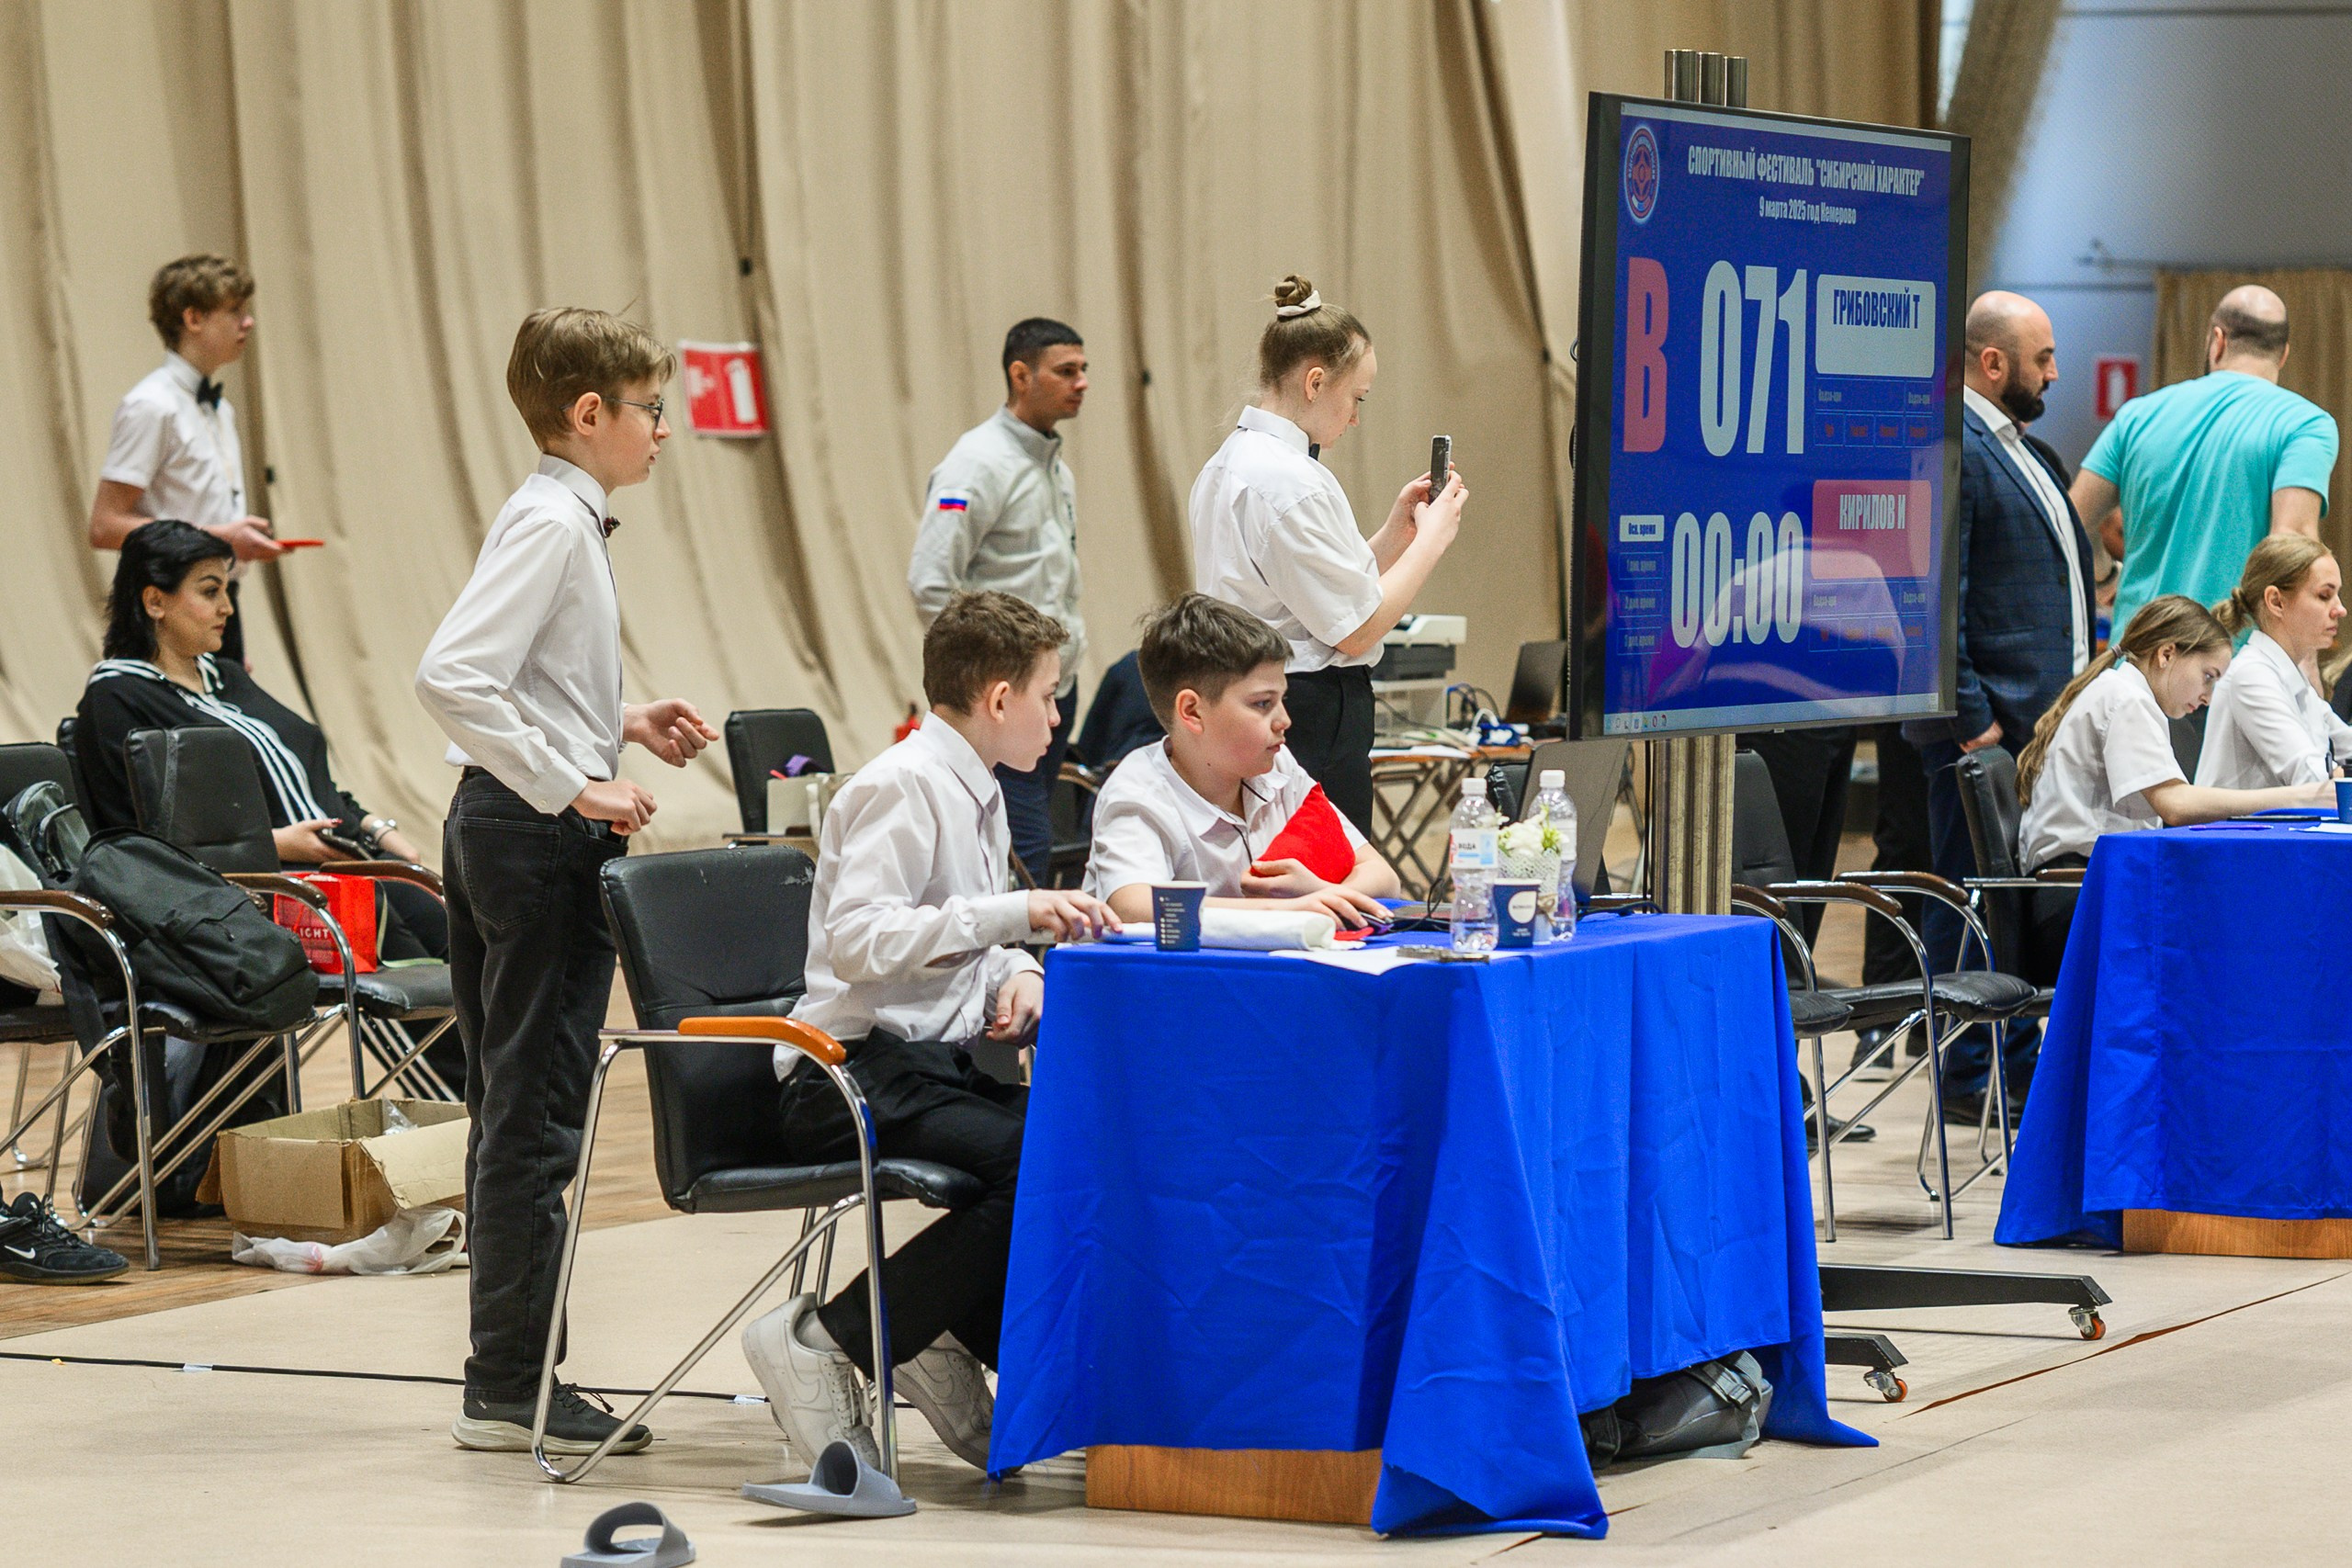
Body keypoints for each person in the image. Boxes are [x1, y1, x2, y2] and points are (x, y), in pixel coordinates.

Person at [416, 308, 718, 1459]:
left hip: (504, 824)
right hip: (529, 837)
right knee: (535, 1117)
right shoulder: (552, 521)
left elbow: (517, 676)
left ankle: (505, 1375)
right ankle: (507, 1386)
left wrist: (617, 721)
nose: (662, 431)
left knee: (514, 1110)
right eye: (649, 410)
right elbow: (452, 678)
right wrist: (573, 781)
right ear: (587, 415)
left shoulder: (559, 517)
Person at [738, 592, 1118, 1473]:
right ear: (996, 698)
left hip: (925, 1068)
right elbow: (862, 940)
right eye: (1050, 695)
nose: (1058, 717)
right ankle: (831, 1339)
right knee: (1032, 1163)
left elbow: (965, 940)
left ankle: (934, 1327)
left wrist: (1019, 970)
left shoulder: (973, 786)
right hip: (844, 1077)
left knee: (1070, 1146)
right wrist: (1009, 914)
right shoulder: (899, 785)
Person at [1899, 291, 2094, 1108]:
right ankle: (1968, 1078)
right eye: (2042, 358)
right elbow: (1934, 600)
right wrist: (1972, 721)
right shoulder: (1953, 448)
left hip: (2039, 732)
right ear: (1992, 362)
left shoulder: (2030, 451)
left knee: (2012, 904)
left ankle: (2011, 1071)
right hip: (1988, 734)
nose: (2054, 371)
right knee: (1976, 901)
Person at [1190, 274, 1467, 837]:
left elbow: (1303, 592)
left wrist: (1396, 533)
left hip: (1263, 693)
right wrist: (1434, 540)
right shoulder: (1289, 478)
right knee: (1333, 888)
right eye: (1355, 398)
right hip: (1308, 709)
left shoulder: (1231, 461)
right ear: (1316, 382)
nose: (1356, 417)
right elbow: (1356, 627)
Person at [2016, 595, 2331, 979]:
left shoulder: (2124, 691)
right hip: (2076, 906)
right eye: (2208, 676)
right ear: (2167, 654)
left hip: (2084, 895)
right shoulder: (2126, 698)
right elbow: (2175, 805)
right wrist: (2301, 796)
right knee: (2239, 941)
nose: (2208, 696)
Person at [1083, 593, 1400, 925]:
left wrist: (1319, 891)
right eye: (1263, 704)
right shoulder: (1138, 791)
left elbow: (1382, 875)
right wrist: (1288, 911)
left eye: (1282, 699)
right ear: (1192, 711)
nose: (1285, 720)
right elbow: (1134, 906)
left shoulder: (1278, 766)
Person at [908, 318, 1090, 885]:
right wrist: (988, 677)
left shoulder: (1054, 468)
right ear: (1020, 374)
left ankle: (1021, 968)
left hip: (1050, 688)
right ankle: (1015, 971)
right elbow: (931, 582)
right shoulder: (977, 463)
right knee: (1023, 844)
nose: (1081, 382)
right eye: (1066, 371)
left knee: (1029, 837)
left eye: (1084, 370)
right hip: (1002, 696)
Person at [2075, 285, 2338, 642]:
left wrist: (2104, 575)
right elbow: (2293, 544)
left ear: (2218, 340)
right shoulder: (2304, 425)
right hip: (2229, 671)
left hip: (2135, 669)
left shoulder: (2136, 417)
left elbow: (2072, 520)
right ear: (2283, 354)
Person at [89, 255, 284, 667]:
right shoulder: (151, 406)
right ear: (193, 318)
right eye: (234, 312)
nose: (248, 323)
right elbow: (105, 526)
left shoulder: (220, 410)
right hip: (168, 615)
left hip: (214, 602)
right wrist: (223, 537)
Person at [2197, 536, 2352, 789]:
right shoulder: (2252, 676)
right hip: (2229, 830)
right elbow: (2310, 779)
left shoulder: (2290, 676)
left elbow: (2346, 743)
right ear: (2276, 602)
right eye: (2325, 596)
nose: (2340, 609)